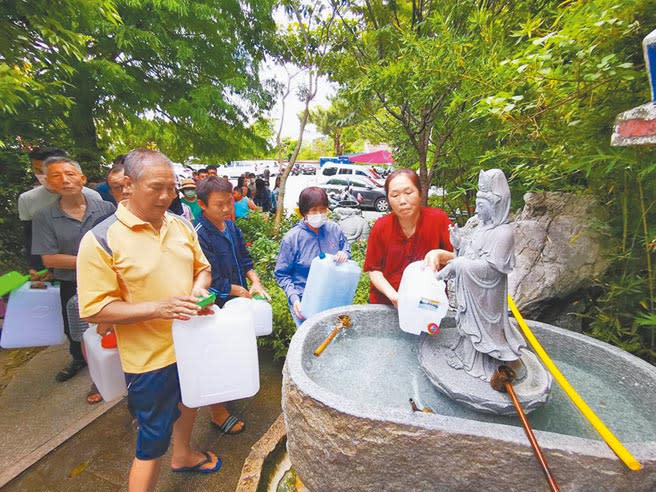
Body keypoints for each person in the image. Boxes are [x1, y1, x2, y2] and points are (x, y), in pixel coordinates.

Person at [77, 149, 221, 491]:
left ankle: (183, 455)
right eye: (156, 187)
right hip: (149, 360)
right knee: (152, 439)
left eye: (171, 188)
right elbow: (95, 309)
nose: (166, 196)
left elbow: (203, 270)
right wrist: (159, 308)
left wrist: (199, 291)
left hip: (191, 341)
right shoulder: (100, 240)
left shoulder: (181, 225)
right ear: (128, 185)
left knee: (190, 401)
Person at [194, 176, 270, 434]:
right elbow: (207, 277)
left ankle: (232, 389)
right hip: (214, 306)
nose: (227, 209)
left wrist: (255, 283)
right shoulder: (200, 235)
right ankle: (217, 411)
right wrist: (236, 290)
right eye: (219, 204)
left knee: (235, 350)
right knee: (215, 356)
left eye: (229, 202)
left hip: (237, 303)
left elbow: (245, 260)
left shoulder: (231, 228)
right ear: (202, 205)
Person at [31, 157, 116, 382]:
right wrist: (92, 260)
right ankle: (81, 362)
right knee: (76, 329)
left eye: (70, 174)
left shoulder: (106, 208)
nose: (65, 180)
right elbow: (49, 258)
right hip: (72, 283)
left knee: (110, 326)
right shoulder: (44, 217)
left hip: (107, 280)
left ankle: (111, 369)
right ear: (48, 183)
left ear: (82, 178)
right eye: (56, 175)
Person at [436, 169, 525, 381]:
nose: (476, 209)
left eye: (481, 205)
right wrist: (460, 245)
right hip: (474, 293)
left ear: (496, 206)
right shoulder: (482, 228)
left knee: (484, 330)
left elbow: (491, 269)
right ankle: (466, 356)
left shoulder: (504, 233)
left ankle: (482, 363)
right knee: (467, 326)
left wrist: (457, 264)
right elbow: (474, 254)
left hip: (487, 297)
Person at [364, 169, 453, 307]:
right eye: (395, 195)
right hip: (386, 304)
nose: (402, 201)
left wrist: (440, 254)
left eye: (408, 193)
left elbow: (460, 258)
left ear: (420, 193)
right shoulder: (381, 226)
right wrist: (394, 296)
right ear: (388, 199)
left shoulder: (438, 220)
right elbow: (374, 269)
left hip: (428, 304)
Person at [18, 146, 101, 273]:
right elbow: (30, 236)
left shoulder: (92, 197)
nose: (42, 175)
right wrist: (35, 267)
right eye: (38, 170)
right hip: (49, 270)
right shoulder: (27, 199)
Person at [275, 187, 350, 325]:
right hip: (305, 301)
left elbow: (345, 248)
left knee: (333, 341)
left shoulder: (333, 229)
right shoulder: (293, 238)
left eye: (323, 210)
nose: (319, 214)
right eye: (314, 210)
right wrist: (294, 298)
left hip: (333, 298)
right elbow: (282, 274)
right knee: (312, 343)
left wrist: (344, 253)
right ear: (304, 212)